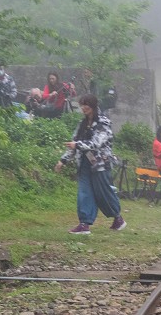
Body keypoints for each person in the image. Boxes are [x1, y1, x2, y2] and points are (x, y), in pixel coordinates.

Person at [54, 93, 125, 234]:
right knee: (84, 192)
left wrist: (77, 145)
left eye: (86, 104)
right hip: (84, 164)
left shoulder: (104, 123)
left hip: (100, 165)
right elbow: (74, 144)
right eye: (82, 104)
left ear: (93, 105)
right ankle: (84, 224)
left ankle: (118, 218)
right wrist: (63, 160)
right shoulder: (82, 124)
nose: (83, 107)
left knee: (103, 193)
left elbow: (96, 143)